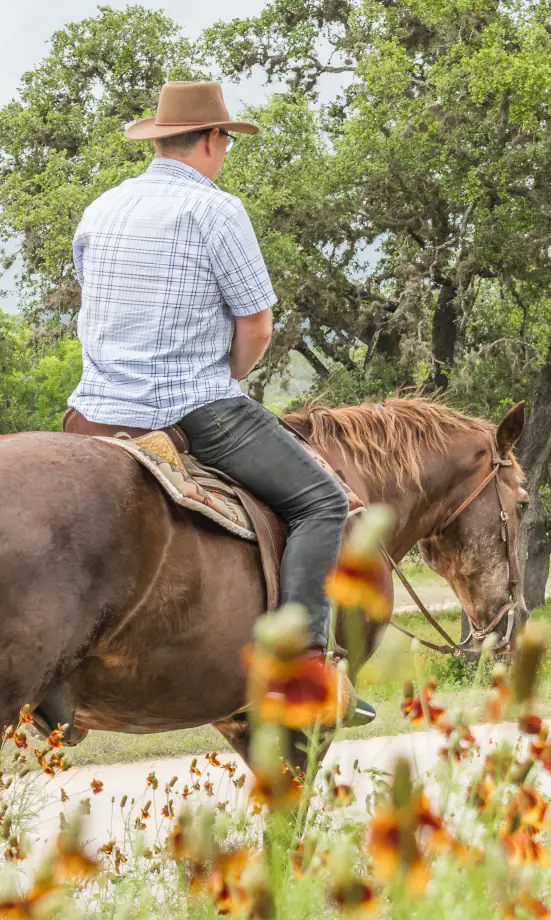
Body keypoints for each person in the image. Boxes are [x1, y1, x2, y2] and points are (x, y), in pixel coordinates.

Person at [67, 81, 367, 722]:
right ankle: (304, 666)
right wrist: (226, 376)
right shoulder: (216, 210)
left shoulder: (101, 208)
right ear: (210, 138)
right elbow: (256, 326)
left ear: (160, 139)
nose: (225, 151)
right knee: (323, 502)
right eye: (225, 140)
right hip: (192, 408)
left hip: (92, 413)